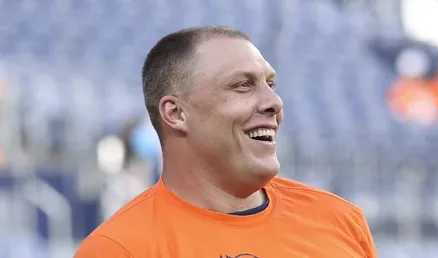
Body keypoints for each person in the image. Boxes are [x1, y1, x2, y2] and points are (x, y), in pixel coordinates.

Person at [74, 26, 378, 258]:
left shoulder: (341, 220)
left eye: (270, 84)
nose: (274, 102)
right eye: (242, 86)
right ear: (176, 113)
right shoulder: (118, 248)